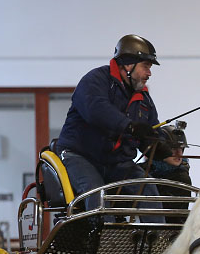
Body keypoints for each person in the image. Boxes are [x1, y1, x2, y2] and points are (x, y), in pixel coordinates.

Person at [54, 34, 171, 221]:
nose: (149, 73)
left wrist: (160, 147)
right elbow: (96, 110)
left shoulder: (143, 99)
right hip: (80, 156)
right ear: (128, 65)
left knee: (148, 188)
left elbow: (149, 131)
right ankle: (107, 246)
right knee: (97, 195)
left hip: (117, 163)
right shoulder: (96, 80)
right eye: (146, 67)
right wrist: (130, 127)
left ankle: (157, 245)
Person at [148, 121, 192, 224]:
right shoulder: (144, 171)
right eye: (173, 148)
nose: (178, 153)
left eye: (181, 149)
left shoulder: (182, 178)